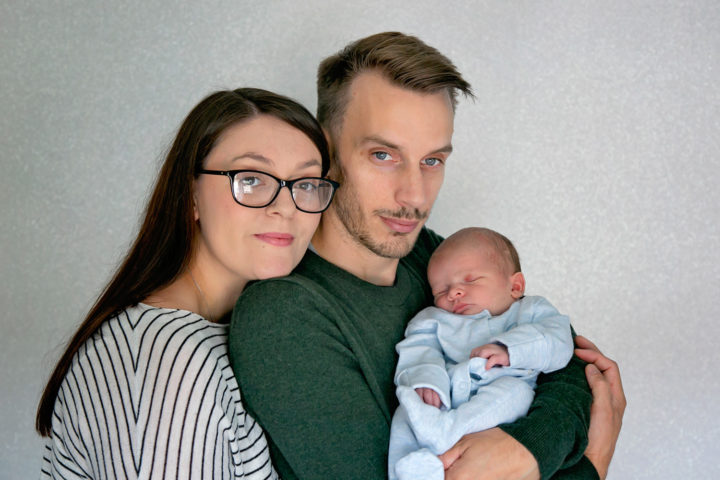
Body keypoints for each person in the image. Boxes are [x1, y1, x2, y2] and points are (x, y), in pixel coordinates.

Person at [230, 31, 624, 480]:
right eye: (383, 155)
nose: (414, 195)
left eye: (433, 160)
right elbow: (585, 407)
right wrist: (590, 461)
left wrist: (530, 449)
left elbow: (565, 355)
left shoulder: (431, 256)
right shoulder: (285, 316)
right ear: (325, 151)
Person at [35, 87, 339, 479]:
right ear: (190, 193)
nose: (284, 206)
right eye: (251, 179)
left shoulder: (238, 331)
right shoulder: (167, 358)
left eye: (307, 183)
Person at [389, 227, 575, 479]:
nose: (453, 293)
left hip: (496, 409)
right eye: (441, 291)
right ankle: (413, 471)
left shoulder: (529, 311)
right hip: (448, 397)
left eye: (470, 280)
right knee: (408, 409)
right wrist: (427, 382)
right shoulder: (433, 320)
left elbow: (559, 341)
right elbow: (418, 350)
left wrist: (510, 349)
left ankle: (445, 435)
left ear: (515, 285)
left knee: (517, 393)